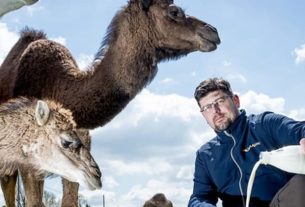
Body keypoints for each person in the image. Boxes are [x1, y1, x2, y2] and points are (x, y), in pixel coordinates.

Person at [188, 77, 305, 207]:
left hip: (279, 203)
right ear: (203, 115)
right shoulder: (205, 155)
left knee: (301, 182)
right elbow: (199, 197)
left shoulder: (266, 125)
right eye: (207, 108)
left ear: (235, 101)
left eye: (219, 101)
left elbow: (299, 130)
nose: (215, 110)